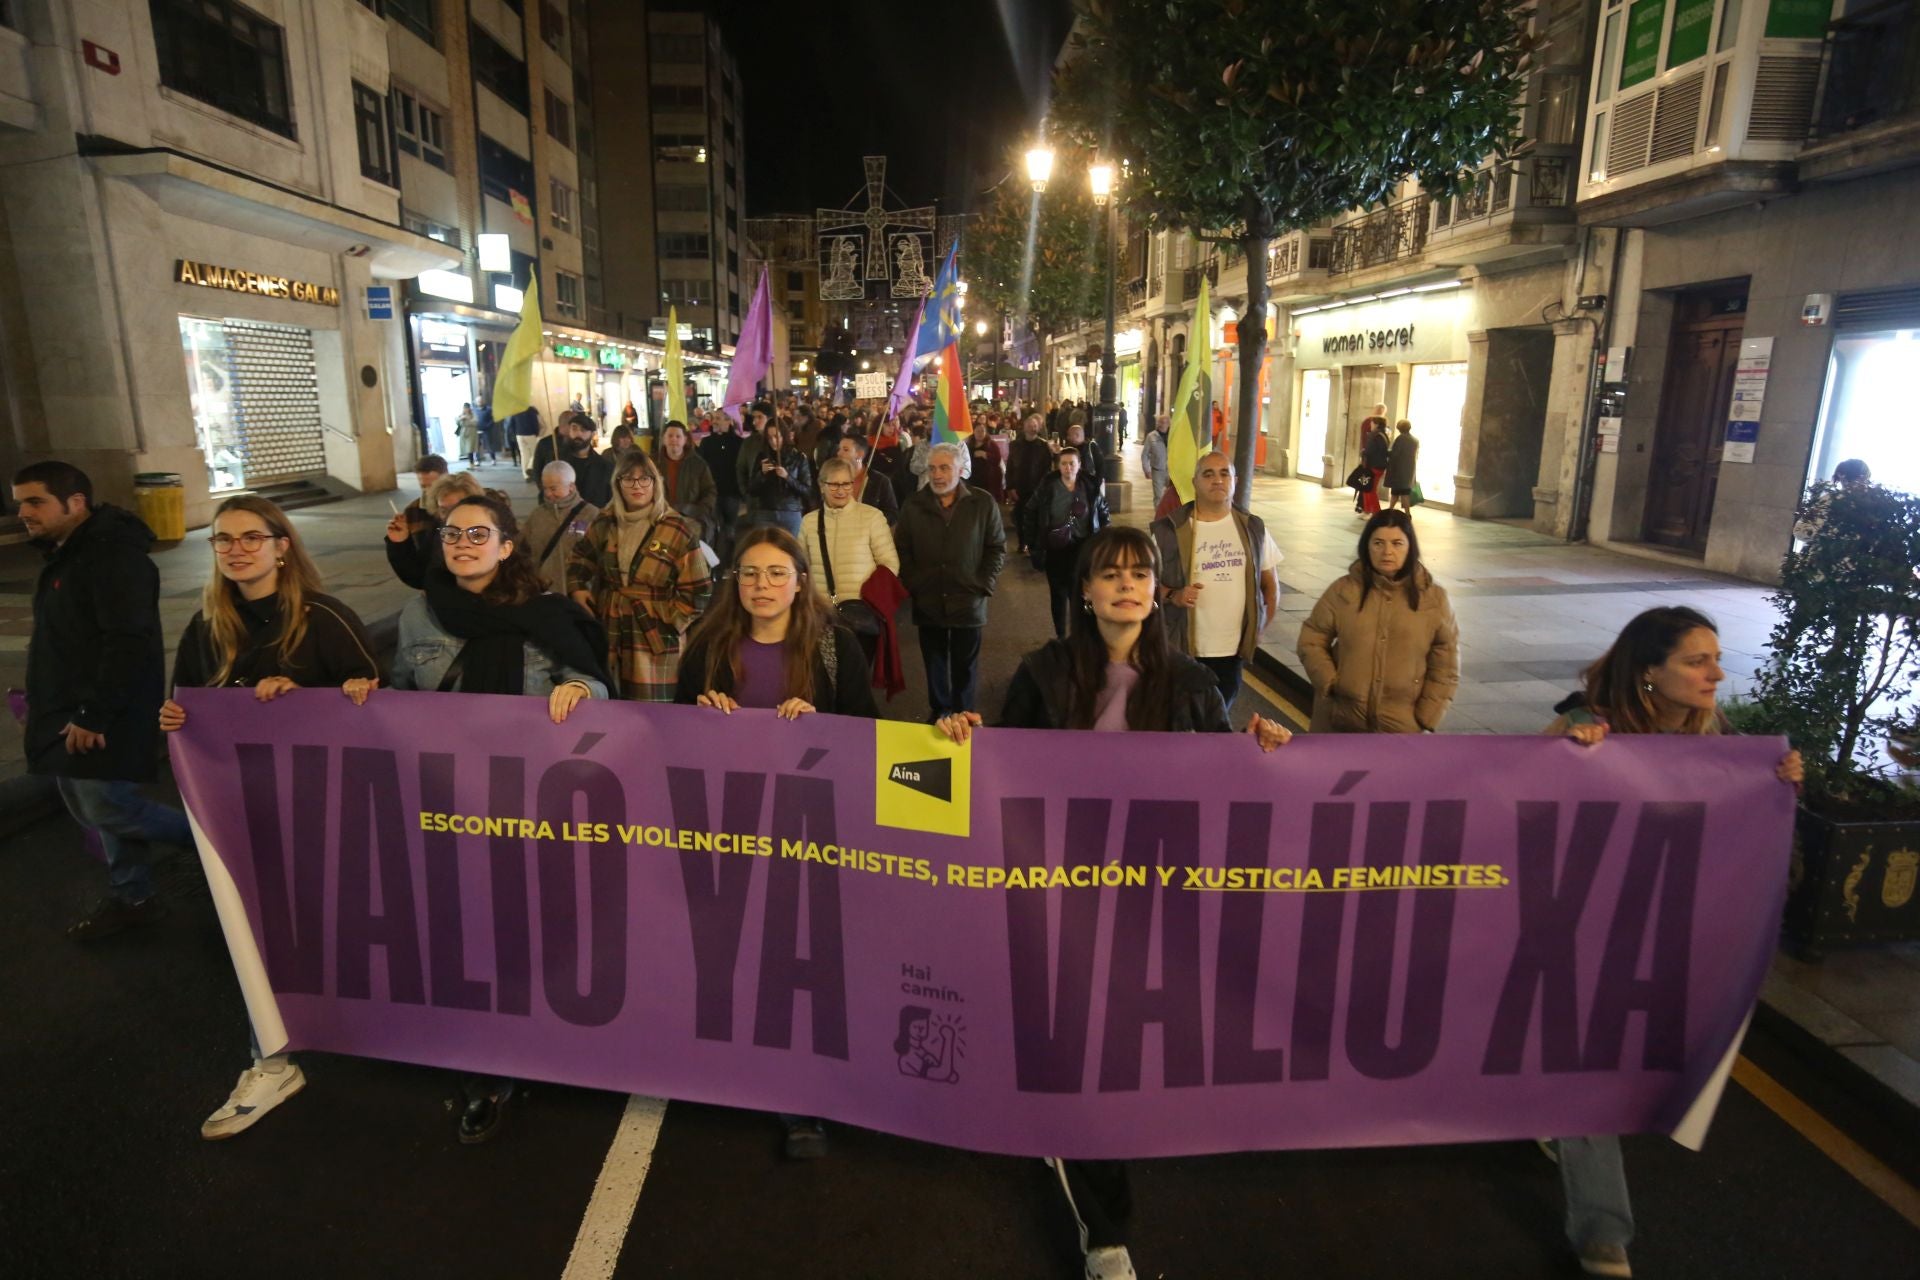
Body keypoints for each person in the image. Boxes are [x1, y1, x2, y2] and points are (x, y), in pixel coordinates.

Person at [935, 525, 1290, 1280]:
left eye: (1141, 574)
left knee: (1130, 1055)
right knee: (1084, 1057)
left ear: (1157, 590)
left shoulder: (1193, 685)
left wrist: (1264, 754)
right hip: (1063, 900)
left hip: (1152, 908)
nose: (1127, 585)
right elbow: (1002, 771)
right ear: (1086, 592)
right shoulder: (1044, 671)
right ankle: (1106, 1233)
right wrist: (962, 736)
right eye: (1111, 574)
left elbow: (1224, 793)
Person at [1543, 605, 1802, 1279]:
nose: (1716, 673)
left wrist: (1776, 788)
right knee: (1586, 1071)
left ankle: (1539, 1108)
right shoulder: (1584, 724)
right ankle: (1602, 1231)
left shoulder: (1718, 741)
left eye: (1714, 658)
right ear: (1650, 672)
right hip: (1579, 936)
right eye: (1697, 660)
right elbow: (1517, 806)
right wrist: (1568, 749)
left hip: (1659, 940)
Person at [347, 492, 610, 1143]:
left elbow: (595, 681)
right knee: (465, 934)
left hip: (532, 808)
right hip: (448, 805)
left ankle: (550, 1038)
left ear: (506, 545)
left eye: (478, 533)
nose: (462, 543)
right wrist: (368, 696)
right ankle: (487, 1069)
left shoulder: (545, 615)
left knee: (534, 930)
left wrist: (579, 689)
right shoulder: (420, 615)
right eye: (453, 534)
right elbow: (405, 698)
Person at [158, 495, 380, 1140]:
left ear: (282, 545)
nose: (236, 549)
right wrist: (173, 721)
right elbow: (187, 709)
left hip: (322, 810)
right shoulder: (206, 627)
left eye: (252, 537)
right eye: (223, 540)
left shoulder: (326, 619)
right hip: (240, 809)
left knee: (331, 925)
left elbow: (377, 706)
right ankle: (272, 1058)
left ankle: (368, 1025)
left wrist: (305, 701)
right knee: (254, 930)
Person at [677, 526, 878, 1160]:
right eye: (750, 574)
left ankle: (803, 1102)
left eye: (775, 574)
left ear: (800, 581)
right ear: (734, 583)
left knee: (802, 964)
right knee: (736, 955)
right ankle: (738, 1072)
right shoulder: (708, 648)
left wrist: (829, 730)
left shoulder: (834, 647)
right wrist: (698, 716)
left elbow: (869, 734)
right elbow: (672, 738)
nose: (762, 586)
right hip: (730, 828)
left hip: (809, 832)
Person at [13, 461, 190, 940]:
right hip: (67, 708)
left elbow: (127, 641)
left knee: (110, 807)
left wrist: (94, 713)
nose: (23, 512)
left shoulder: (112, 556)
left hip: (102, 713)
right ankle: (134, 895)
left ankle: (217, 844)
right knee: (94, 805)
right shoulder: (68, 552)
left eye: (35, 501)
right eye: (20, 501)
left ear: (75, 502)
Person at [567, 451, 712, 702]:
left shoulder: (676, 528)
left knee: (653, 711)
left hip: (654, 637)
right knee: (609, 701)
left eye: (645, 479)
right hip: (610, 627)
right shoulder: (605, 521)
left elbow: (699, 590)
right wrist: (577, 586)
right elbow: (581, 557)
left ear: (656, 483)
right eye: (628, 479)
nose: (637, 486)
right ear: (617, 483)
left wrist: (668, 619)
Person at [1297, 509, 1458, 733]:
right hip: (1341, 720)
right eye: (1378, 543)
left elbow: (1446, 663)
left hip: (1402, 725)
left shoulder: (1434, 599)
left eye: (1397, 543)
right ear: (1367, 546)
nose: (1387, 552)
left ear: (1410, 546)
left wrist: (1427, 715)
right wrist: (1331, 682)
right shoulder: (1344, 590)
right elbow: (1312, 639)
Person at [1151, 451, 1279, 708]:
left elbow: (1270, 587)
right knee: (1180, 722)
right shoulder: (1169, 531)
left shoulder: (1253, 528)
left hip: (1231, 653)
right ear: (1195, 482)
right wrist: (1173, 595)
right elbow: (1145, 586)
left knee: (1219, 721)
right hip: (1183, 648)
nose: (1217, 480)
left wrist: (1259, 630)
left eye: (1224, 473)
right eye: (1208, 474)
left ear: (1235, 481)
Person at [895, 442, 1006, 719]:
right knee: (934, 662)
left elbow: (996, 548)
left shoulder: (982, 503)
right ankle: (940, 711)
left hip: (968, 599)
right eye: (932, 468)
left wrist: (983, 584)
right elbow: (902, 550)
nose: (937, 474)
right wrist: (914, 583)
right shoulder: (914, 504)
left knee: (965, 665)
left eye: (944, 467)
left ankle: (963, 713)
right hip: (928, 598)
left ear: (960, 470)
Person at [803, 457, 900, 663]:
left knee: (857, 677)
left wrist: (872, 597)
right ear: (822, 486)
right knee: (823, 677)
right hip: (821, 614)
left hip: (861, 613)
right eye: (834, 484)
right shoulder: (809, 522)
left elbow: (889, 564)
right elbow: (800, 566)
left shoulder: (872, 517)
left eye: (846, 483)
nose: (841, 490)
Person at [1025, 448, 1109, 640]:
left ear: (1079, 465)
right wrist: (1033, 544)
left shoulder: (1090, 487)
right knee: (1058, 595)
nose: (1068, 467)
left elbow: (1103, 513)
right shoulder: (1048, 487)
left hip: (1084, 548)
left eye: (1072, 463)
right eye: (1064, 464)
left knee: (1082, 594)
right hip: (1056, 550)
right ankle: (1061, 636)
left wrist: (1104, 542)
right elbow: (1030, 512)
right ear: (1058, 466)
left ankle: (1081, 636)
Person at [386, 470, 484, 589]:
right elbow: (419, 577)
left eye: (456, 508)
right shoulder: (438, 533)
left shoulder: (487, 533)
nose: (449, 516)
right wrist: (400, 543)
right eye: (443, 510)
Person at [524, 460, 599, 593]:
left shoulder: (591, 514)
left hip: (577, 594)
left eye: (553, 488)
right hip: (542, 592)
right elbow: (522, 549)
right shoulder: (537, 515)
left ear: (571, 487)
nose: (547, 494)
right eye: (545, 488)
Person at [743, 419, 812, 538]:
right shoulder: (762, 457)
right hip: (766, 511)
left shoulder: (798, 457)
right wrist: (762, 474)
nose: (773, 442)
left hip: (790, 512)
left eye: (776, 436)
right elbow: (751, 489)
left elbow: (807, 490)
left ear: (784, 436)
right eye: (769, 438)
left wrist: (787, 477)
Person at [530, 413, 613, 507]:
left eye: (583, 430)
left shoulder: (604, 467)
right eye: (574, 428)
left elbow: (607, 499)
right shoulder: (556, 460)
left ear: (593, 434)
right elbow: (544, 488)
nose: (578, 433)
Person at [656, 420, 718, 545]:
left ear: (685, 440)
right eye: (670, 436)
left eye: (678, 436)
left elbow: (710, 491)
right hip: (660, 520)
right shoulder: (653, 464)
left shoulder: (698, 464)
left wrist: (700, 510)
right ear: (663, 439)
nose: (674, 439)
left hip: (690, 521)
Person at [699, 407, 747, 565]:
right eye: (715, 418)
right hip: (713, 492)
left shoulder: (739, 443)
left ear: (729, 421)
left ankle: (729, 561)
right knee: (715, 528)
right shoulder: (706, 442)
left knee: (730, 529)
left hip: (731, 492)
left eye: (719, 418)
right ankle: (715, 563)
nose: (715, 422)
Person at [834, 433, 899, 526]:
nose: (839, 453)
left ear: (859, 454)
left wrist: (871, 522)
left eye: (845, 450)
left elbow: (892, 514)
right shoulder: (834, 478)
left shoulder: (880, 481)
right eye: (839, 449)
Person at [1360, 411, 1391, 516]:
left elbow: (1369, 451)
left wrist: (1363, 451)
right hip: (1380, 466)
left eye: (1372, 423)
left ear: (1376, 424)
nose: (1370, 425)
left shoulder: (1374, 435)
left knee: (1370, 489)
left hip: (1373, 465)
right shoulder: (1384, 434)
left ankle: (1376, 513)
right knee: (1369, 488)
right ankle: (1369, 511)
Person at [968, 416, 1005, 502]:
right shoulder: (969, 445)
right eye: (978, 431)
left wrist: (985, 455)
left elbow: (997, 459)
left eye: (982, 431)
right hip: (973, 480)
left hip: (989, 481)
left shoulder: (992, 444)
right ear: (973, 432)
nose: (980, 433)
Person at [1386, 418, 1419, 512]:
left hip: (1399, 471)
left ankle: (1390, 510)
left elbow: (1395, 454)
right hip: (1409, 470)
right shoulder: (1415, 440)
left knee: (1395, 492)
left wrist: (1386, 452)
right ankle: (1407, 513)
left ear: (1399, 428)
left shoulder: (1400, 439)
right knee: (1405, 493)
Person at [1141, 414, 1171, 510]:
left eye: (1165, 422)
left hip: (1171, 471)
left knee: (1173, 495)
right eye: (1161, 422)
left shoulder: (1173, 436)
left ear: (1169, 423)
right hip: (1157, 470)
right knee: (1158, 496)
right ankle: (1159, 518)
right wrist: (1147, 469)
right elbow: (1144, 454)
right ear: (1158, 423)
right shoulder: (1151, 436)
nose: (1163, 424)